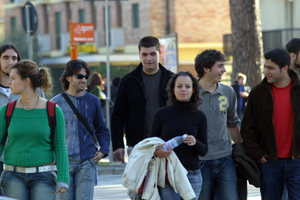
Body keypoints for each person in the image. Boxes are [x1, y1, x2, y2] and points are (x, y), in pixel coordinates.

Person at [0, 60, 69, 200]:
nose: (8, 83)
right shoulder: (6, 111)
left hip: (44, 177)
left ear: (26, 81)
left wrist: (63, 178)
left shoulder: (53, 110)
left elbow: (60, 147)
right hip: (12, 177)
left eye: (13, 78)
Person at [241, 48, 300, 200]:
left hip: (297, 162)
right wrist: (258, 154)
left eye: (271, 68)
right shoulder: (257, 92)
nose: (266, 71)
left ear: (285, 68)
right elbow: (247, 128)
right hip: (269, 163)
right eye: (265, 67)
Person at [52, 59, 110, 200]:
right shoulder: (55, 103)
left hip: (87, 162)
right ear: (68, 78)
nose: (84, 80)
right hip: (63, 163)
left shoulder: (93, 101)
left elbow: (101, 129)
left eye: (86, 76)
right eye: (79, 76)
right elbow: (48, 133)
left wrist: (104, 150)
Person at [111, 36, 173, 163]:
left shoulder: (172, 79)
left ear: (160, 53)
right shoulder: (128, 81)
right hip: (138, 144)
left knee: (166, 183)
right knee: (141, 183)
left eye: (152, 54)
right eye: (144, 54)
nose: (148, 58)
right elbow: (118, 115)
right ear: (139, 55)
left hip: (167, 143)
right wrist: (118, 145)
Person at [150, 71, 208, 200]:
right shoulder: (161, 114)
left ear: (193, 90)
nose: (183, 89)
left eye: (187, 86)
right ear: (173, 89)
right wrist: (157, 151)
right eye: (179, 86)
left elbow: (204, 150)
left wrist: (195, 142)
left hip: (192, 175)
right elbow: (150, 145)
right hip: (167, 174)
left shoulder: (199, 116)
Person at [194, 49, 242, 200]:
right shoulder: (190, 93)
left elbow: (232, 123)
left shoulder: (228, 92)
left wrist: (241, 150)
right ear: (206, 69)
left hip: (226, 159)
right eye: (220, 66)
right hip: (199, 161)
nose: (224, 70)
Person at [0, 43, 45, 195]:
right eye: (5, 58)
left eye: (14, 58)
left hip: (31, 159)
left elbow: (44, 120)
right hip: (4, 160)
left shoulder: (32, 89)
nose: (10, 62)